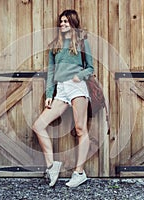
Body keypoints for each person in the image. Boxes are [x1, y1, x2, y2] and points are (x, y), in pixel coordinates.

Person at [32, 9, 94, 187]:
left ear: (73, 23)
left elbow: (90, 68)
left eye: (66, 21)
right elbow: (51, 73)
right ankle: (52, 166)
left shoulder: (82, 42)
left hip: (77, 87)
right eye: (61, 22)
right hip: (61, 90)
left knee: (80, 129)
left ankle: (79, 172)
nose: (62, 24)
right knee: (39, 125)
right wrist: (49, 94)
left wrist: (79, 76)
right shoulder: (55, 45)